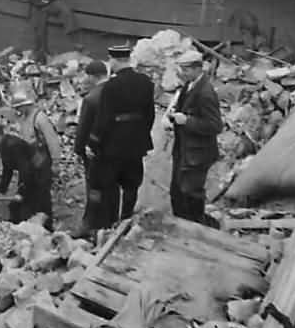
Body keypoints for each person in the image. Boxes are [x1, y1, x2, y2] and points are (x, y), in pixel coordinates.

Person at [93, 45, 156, 226]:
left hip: (114, 143)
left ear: (113, 60)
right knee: (132, 183)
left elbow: (104, 118)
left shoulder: (111, 86)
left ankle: (110, 221)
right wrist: (142, 135)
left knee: (111, 183)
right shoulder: (146, 82)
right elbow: (150, 115)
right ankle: (126, 218)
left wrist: (95, 141)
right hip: (137, 142)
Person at [164, 49, 223, 228]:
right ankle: (181, 226)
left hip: (198, 154)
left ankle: (196, 229)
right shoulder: (189, 86)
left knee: (191, 194)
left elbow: (215, 126)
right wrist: (173, 116)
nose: (182, 73)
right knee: (177, 192)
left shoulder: (206, 92)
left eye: (186, 69)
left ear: (198, 69)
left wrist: (187, 121)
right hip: (184, 150)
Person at [7, 81, 64, 229]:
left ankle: (46, 227)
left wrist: (56, 163)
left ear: (26, 104)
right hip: (28, 164)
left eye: (19, 107)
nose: (18, 110)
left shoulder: (39, 118)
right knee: (26, 195)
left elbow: (52, 141)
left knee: (42, 197)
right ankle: (26, 225)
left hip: (41, 163)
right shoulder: (24, 118)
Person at [0, 120, 53, 226]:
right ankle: (17, 228)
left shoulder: (13, 145)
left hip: (40, 172)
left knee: (39, 203)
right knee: (15, 206)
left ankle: (47, 230)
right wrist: (0, 190)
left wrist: (21, 192)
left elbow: (25, 169)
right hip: (30, 173)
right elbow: (8, 170)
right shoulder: (3, 146)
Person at [72, 59, 109, 238]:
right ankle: (108, 223)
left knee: (93, 188)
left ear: (92, 76)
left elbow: (83, 128)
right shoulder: (119, 93)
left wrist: (79, 150)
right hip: (115, 151)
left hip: (93, 152)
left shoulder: (91, 98)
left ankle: (91, 224)